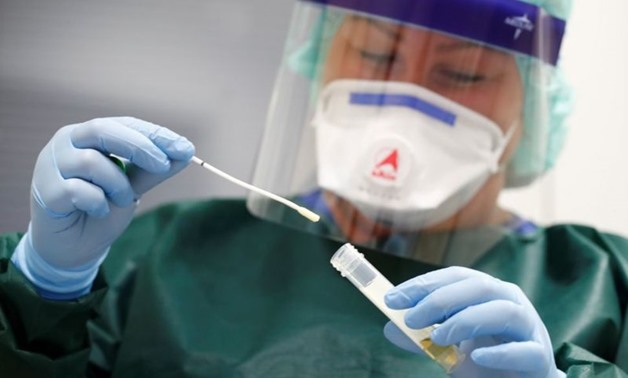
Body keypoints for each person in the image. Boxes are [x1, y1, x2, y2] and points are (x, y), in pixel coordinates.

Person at [0, 0, 626, 377]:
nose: (404, 101)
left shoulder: (605, 288)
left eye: (462, 73)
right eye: (376, 57)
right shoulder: (165, 258)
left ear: (535, 111)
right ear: (320, 57)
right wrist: (44, 289)